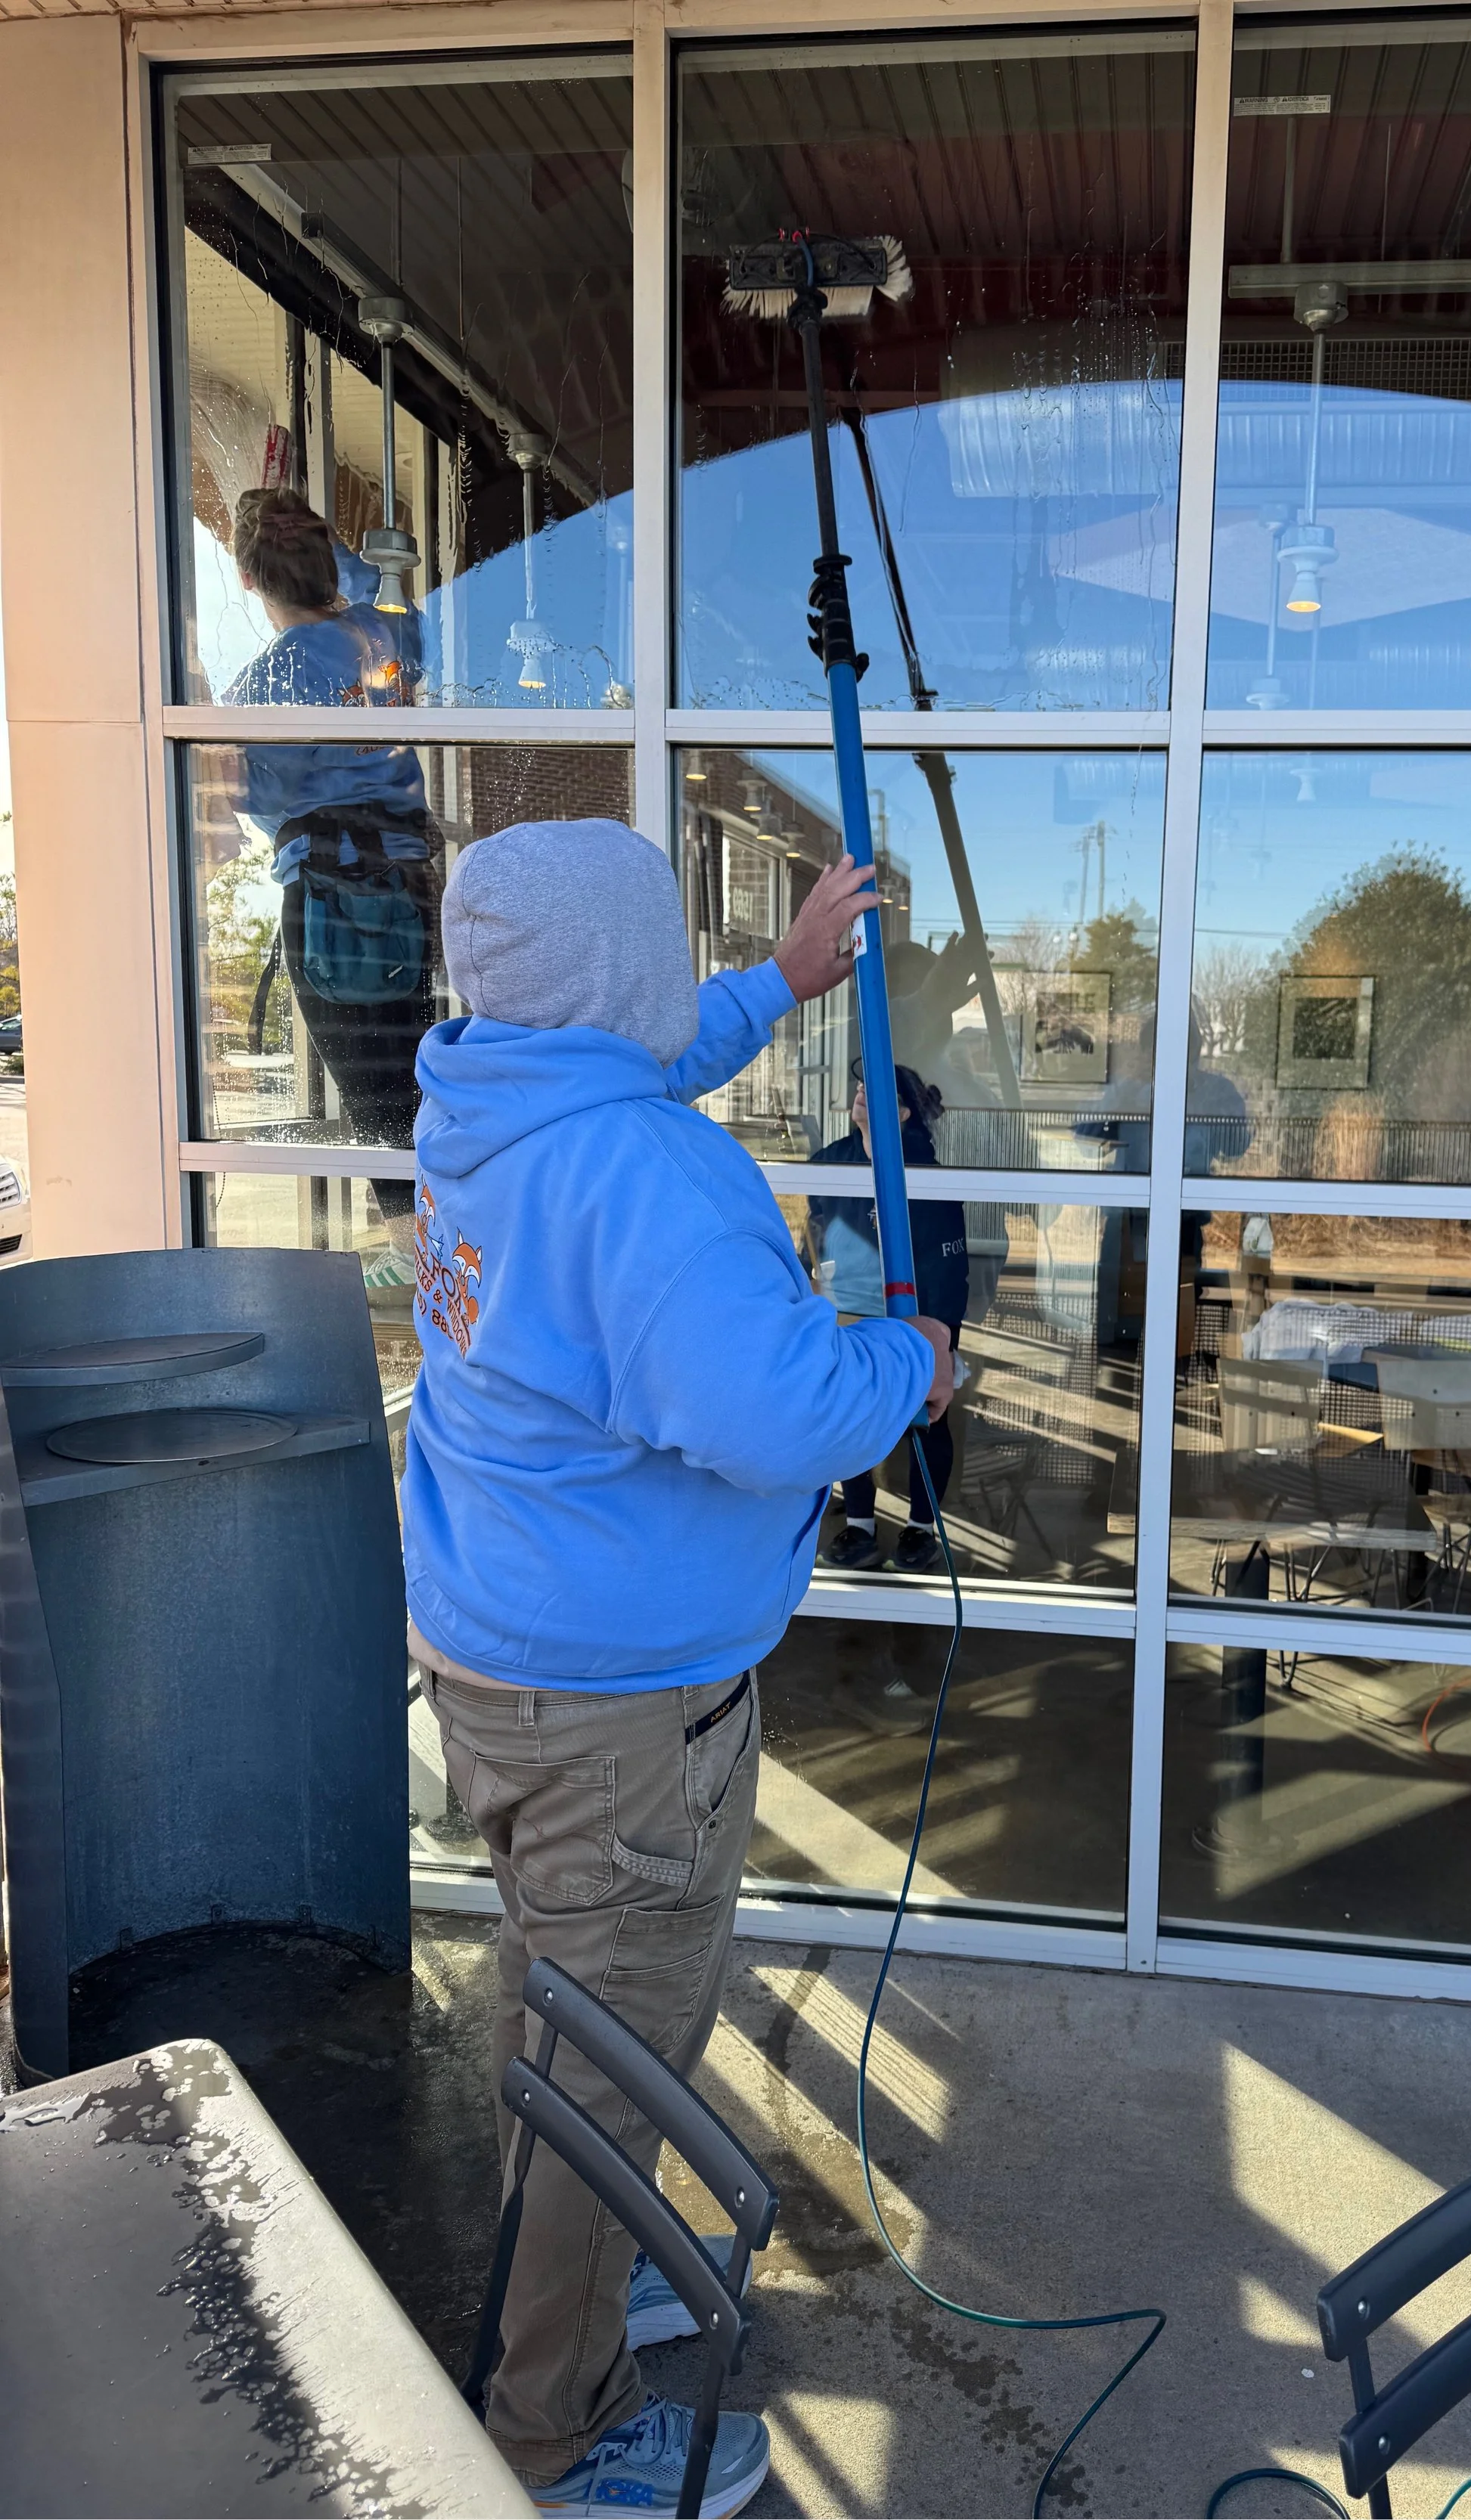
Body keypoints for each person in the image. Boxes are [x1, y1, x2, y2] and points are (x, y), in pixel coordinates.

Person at [402, 818, 952, 2518]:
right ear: (622, 974)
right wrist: (908, 1365)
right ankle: (552, 2429)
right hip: (622, 1717)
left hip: (505, 1666)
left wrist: (774, 986)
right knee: (615, 2039)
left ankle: (577, 2267)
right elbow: (775, 1406)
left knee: (566, 2009)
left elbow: (623, 1054)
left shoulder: (483, 1099)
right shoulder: (640, 1175)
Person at [222, 487, 433, 1278]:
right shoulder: (378, 632)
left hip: (335, 902)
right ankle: (451, 1257)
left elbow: (258, 797)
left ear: (248, 580)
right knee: (421, 1088)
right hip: (410, 886)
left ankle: (428, 1273)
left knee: (380, 1110)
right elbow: (375, 597)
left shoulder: (268, 683)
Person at [808, 1063, 967, 1578]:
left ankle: (921, 1528)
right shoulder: (831, 1162)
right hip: (846, 1316)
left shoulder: (926, 1173)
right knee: (853, 1414)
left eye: (873, 1089)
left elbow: (949, 1265)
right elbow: (812, 1232)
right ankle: (860, 1522)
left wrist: (941, 1340)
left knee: (926, 1423)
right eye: (858, 1086)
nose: (860, 1092)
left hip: (917, 1319)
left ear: (903, 1111)